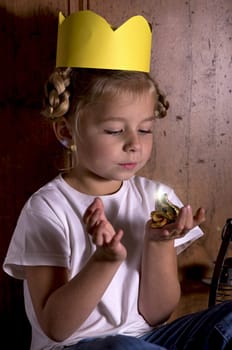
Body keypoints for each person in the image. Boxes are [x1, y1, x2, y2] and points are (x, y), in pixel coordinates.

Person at [3, 10, 232, 350]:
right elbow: (55, 327)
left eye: (145, 129)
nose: (134, 144)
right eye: (114, 130)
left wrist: (158, 243)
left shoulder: (156, 196)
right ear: (67, 130)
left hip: (148, 341)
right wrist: (105, 260)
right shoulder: (47, 209)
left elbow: (157, 314)